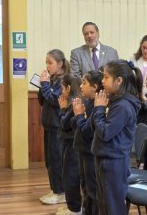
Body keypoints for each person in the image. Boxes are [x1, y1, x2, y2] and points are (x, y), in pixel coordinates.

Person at [89, 59, 142, 215]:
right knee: (103, 202)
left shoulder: (123, 106)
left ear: (119, 81)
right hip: (106, 158)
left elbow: (105, 133)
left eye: (106, 77)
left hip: (113, 162)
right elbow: (97, 127)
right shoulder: (115, 101)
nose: (102, 81)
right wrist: (98, 108)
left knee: (112, 206)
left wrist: (99, 109)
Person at [38, 49, 69, 205]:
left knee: (57, 160)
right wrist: (42, 84)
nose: (47, 65)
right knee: (50, 161)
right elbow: (42, 101)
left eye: (50, 62)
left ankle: (61, 192)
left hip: (57, 127)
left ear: (60, 64)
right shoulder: (53, 79)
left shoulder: (63, 81)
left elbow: (54, 100)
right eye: (46, 62)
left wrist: (45, 85)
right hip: (49, 126)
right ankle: (54, 188)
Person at [72, 70, 103, 215]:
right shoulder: (88, 102)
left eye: (84, 83)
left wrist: (79, 115)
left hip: (90, 153)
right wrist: (76, 114)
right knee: (85, 186)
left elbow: (87, 131)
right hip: (83, 150)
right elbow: (77, 125)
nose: (81, 87)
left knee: (92, 189)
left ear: (95, 87)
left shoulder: (96, 106)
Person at [56, 74, 82, 215]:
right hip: (70, 143)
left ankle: (74, 209)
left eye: (62, 88)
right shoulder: (75, 100)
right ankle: (73, 206)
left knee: (70, 176)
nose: (61, 91)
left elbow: (65, 124)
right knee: (69, 175)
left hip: (72, 144)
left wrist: (63, 109)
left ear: (68, 88)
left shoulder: (74, 102)